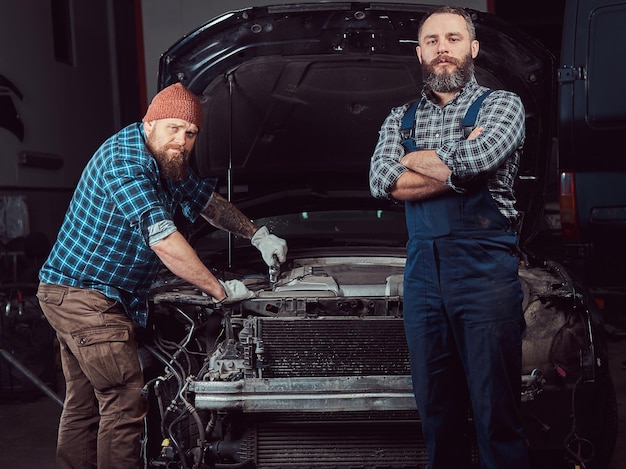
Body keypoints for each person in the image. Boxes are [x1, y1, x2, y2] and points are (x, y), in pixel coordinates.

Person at [37, 82, 288, 469]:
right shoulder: (126, 162)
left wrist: (257, 234)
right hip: (85, 297)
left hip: (77, 293)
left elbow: (207, 203)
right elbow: (163, 238)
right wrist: (218, 290)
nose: (181, 140)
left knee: (85, 404)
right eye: (173, 128)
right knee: (123, 402)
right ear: (149, 123)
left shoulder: (167, 161)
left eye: (190, 133)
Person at [369, 6, 528, 469]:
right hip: (422, 276)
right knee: (437, 412)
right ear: (420, 53)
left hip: (485, 275)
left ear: (472, 49)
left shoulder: (502, 105)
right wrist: (455, 163)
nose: (443, 48)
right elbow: (381, 181)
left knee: (495, 412)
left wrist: (413, 161)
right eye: (433, 40)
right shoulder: (399, 116)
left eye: (453, 39)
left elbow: (479, 160)